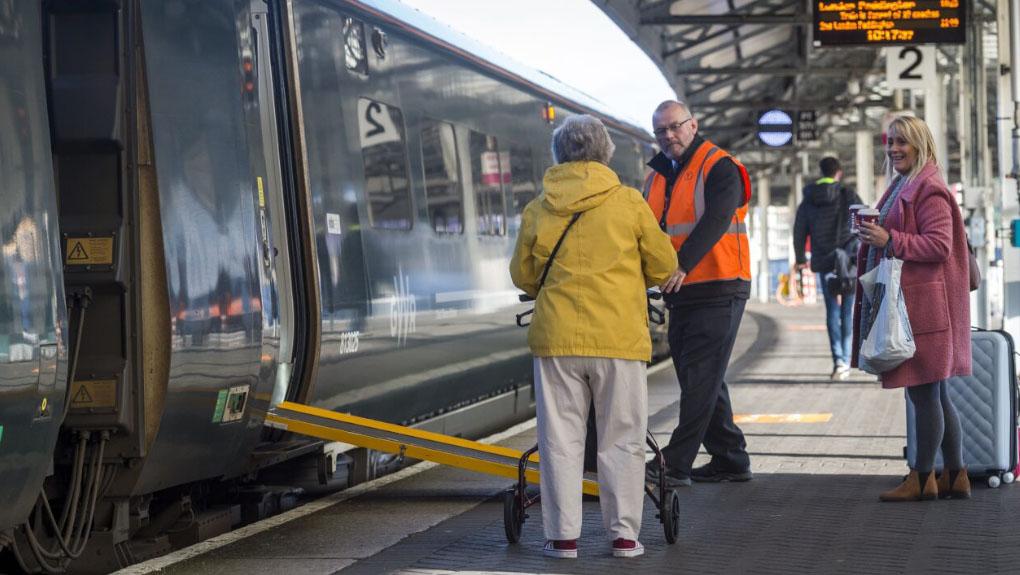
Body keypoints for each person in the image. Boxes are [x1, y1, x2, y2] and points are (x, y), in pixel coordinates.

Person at [509, 114, 676, 559]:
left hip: (556, 342)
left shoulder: (539, 207)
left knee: (560, 440)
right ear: (606, 153)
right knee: (622, 436)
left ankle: (562, 538)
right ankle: (624, 537)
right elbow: (662, 264)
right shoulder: (628, 202)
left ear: (559, 156)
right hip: (619, 339)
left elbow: (522, 276)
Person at [852, 115, 972, 502]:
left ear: (920, 144)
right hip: (920, 302)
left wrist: (889, 238)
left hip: (924, 306)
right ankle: (955, 474)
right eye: (890, 142)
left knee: (923, 394)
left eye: (902, 142)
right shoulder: (907, 184)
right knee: (936, 394)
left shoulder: (929, 189)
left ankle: (922, 479)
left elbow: (938, 246)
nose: (894, 149)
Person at [641, 100, 754, 488]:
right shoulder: (656, 175)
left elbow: (716, 219)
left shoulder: (720, 166)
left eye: (675, 127)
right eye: (661, 131)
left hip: (720, 284)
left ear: (694, 124)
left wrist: (682, 263)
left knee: (701, 377)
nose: (669, 136)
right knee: (699, 377)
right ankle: (730, 458)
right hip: (682, 291)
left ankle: (675, 463)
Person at [793, 157, 863, 380]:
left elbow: (799, 230)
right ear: (839, 173)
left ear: (821, 171)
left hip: (824, 261)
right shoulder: (848, 194)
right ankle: (847, 359)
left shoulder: (809, 199)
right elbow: (863, 223)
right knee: (847, 310)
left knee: (832, 310)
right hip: (848, 260)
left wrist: (800, 257)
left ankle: (838, 361)